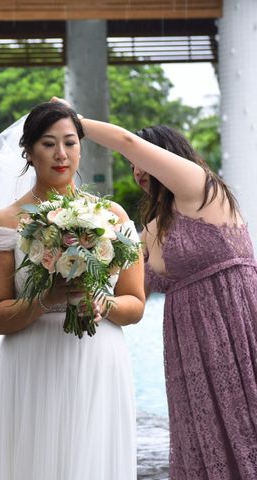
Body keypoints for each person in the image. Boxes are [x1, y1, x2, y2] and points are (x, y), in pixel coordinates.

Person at [0, 101, 145, 480]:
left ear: (81, 147)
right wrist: (45, 299)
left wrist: (104, 303)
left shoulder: (112, 216)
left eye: (70, 142)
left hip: (99, 360)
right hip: (34, 363)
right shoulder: (5, 223)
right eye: (48, 144)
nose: (61, 154)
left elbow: (135, 304)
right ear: (29, 152)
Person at [84, 117, 257, 478]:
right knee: (203, 434)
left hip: (235, 326)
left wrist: (74, 121)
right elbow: (127, 294)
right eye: (133, 169)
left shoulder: (201, 188)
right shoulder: (148, 231)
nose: (137, 172)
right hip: (189, 349)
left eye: (143, 164)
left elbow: (125, 140)